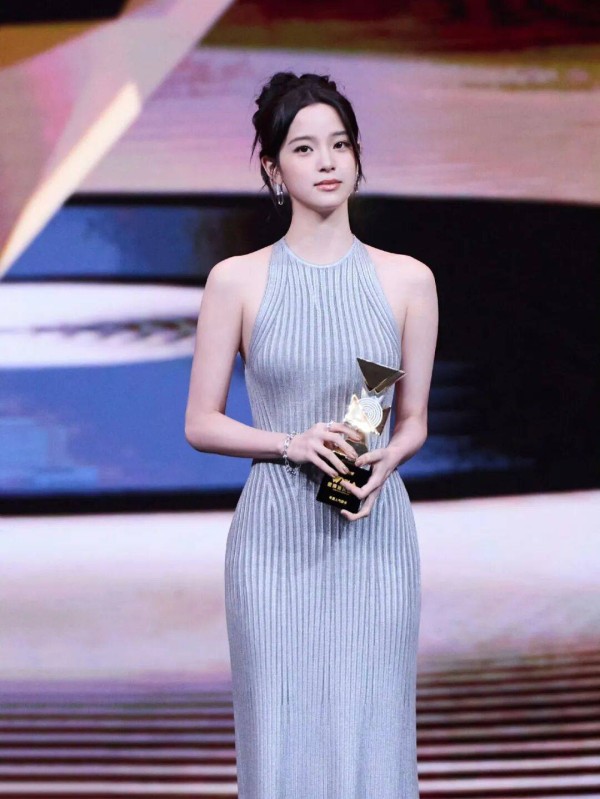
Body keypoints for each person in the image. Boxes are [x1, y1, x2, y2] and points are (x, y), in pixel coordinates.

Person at [185, 71, 438, 799]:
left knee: (372, 730)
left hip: (372, 533)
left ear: (357, 156)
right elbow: (200, 421)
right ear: (273, 167)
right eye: (304, 147)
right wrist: (289, 443)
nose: (327, 161)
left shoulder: (408, 280)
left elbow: (412, 418)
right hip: (274, 539)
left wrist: (390, 457)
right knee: (281, 735)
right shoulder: (236, 280)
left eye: (340, 144)